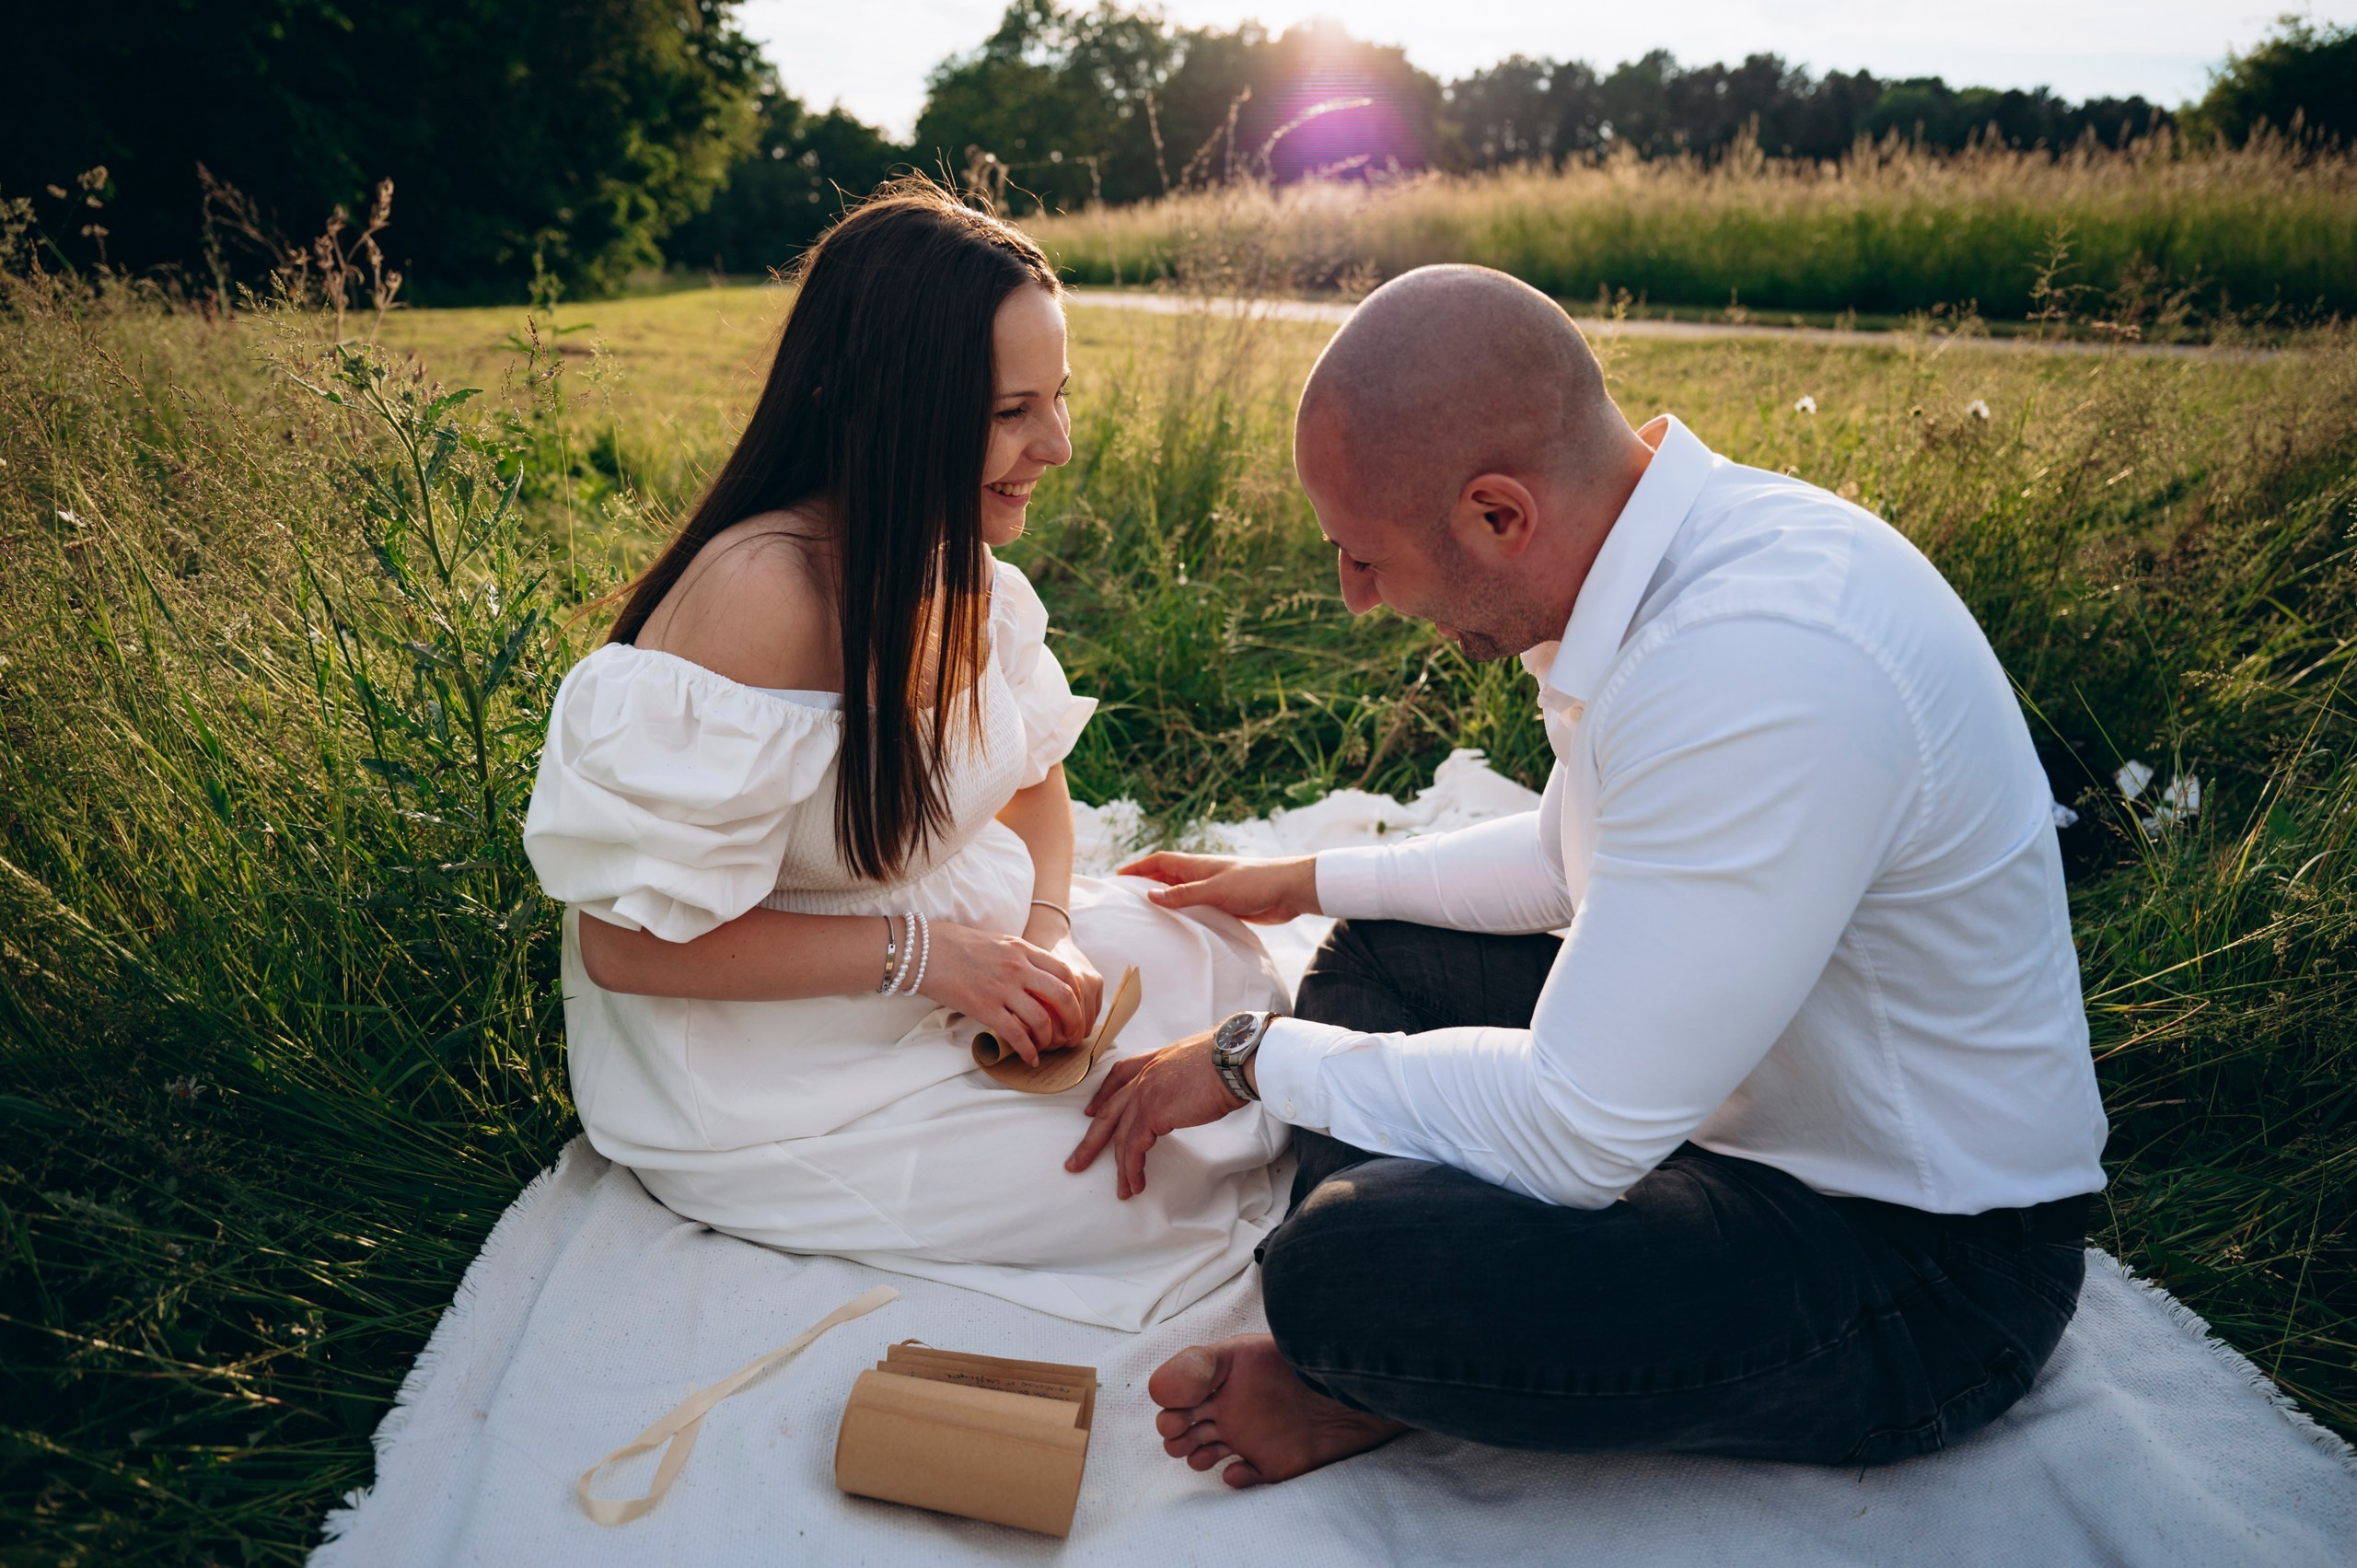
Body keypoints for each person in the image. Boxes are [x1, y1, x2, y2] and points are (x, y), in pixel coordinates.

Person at [1068, 264, 2109, 1481]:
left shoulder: (1758, 661)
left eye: (1363, 555)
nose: (1355, 599)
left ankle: (1367, 1356)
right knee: (1376, 960)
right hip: (1726, 1107)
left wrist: (1253, 1054)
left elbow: (1573, 1128)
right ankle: (1426, 1341)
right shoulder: (1673, 565)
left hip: (1917, 1262)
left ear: (1499, 514)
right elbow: (1567, 861)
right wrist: (1302, 877)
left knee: (1339, 1270)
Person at [522, 184, 1286, 1332]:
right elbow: (622, 945)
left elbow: (1036, 789)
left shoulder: (953, 561)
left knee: (1234, 974)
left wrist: (1046, 932)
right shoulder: (760, 599)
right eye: (1011, 410)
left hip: (925, 944)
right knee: (1144, 1177)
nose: (1057, 445)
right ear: (894, 405)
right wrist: (930, 957)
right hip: (756, 1051)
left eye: (1058, 398)